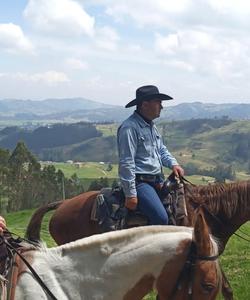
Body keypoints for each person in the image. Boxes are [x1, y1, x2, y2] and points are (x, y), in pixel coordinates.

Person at [117, 85, 184, 225]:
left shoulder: (151, 126)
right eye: (158, 102)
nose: (161, 106)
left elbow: (161, 150)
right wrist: (131, 195)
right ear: (145, 104)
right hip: (140, 182)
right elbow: (126, 162)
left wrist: (173, 164)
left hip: (157, 180)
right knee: (161, 218)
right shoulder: (129, 128)